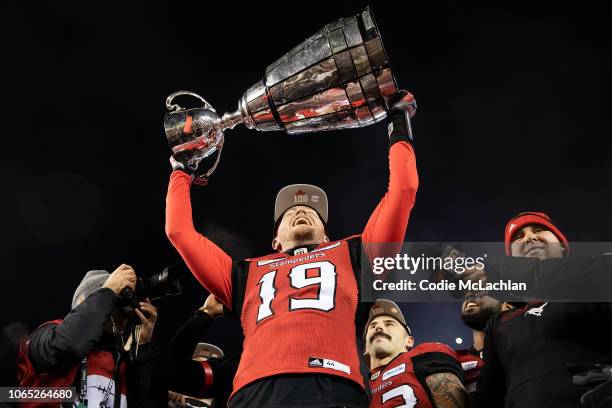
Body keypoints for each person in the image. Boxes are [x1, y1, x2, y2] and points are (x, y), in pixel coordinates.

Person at [165, 91, 419, 407]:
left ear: (327, 237)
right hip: (254, 392)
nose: (300, 209)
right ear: (275, 243)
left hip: (333, 386)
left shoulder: (355, 254)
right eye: (289, 213)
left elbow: (403, 190)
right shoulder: (244, 273)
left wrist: (398, 120)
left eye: (311, 211)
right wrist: (181, 173)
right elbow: (179, 231)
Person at [472, 212, 612, 407]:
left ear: (562, 245)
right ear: (512, 258)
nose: (530, 237)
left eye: (539, 230)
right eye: (519, 237)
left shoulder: (600, 280)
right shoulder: (498, 323)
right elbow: (488, 396)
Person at [16, 265, 161, 408]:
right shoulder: (47, 334)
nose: (121, 312)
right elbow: (69, 346)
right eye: (114, 302)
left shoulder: (119, 362)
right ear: (83, 302)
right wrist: (109, 291)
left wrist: (143, 346)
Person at [364, 299, 468, 408]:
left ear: (409, 341)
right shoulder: (357, 385)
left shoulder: (421, 356)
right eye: (372, 326)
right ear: (365, 347)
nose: (378, 328)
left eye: (389, 324)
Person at [163, 294, 240, 408]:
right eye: (198, 362)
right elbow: (173, 368)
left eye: (212, 361)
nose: (205, 360)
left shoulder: (233, 395)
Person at [457, 292, 512, 394]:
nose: (469, 296)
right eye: (467, 294)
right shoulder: (458, 362)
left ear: (507, 307)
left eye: (482, 293)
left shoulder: (519, 351)